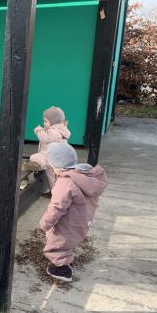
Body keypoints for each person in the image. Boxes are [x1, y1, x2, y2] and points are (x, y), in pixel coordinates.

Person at [40, 142, 108, 282]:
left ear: (55, 165)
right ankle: (67, 261)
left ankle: (62, 270)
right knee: (68, 241)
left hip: (68, 222)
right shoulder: (83, 175)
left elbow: (57, 207)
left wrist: (46, 222)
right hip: (82, 220)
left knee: (57, 242)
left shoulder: (66, 182)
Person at [22, 106, 71, 194]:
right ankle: (56, 193)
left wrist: (38, 130)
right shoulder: (59, 129)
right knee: (53, 176)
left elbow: (44, 138)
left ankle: (37, 164)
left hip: (52, 157)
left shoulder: (55, 131)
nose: (44, 123)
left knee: (38, 158)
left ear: (54, 122)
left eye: (45, 121)